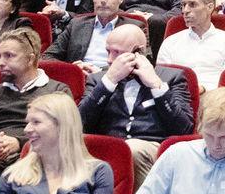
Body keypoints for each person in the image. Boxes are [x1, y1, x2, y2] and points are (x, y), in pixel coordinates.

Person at [79, 22, 192, 179]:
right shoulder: (99, 80)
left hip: (150, 149)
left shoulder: (170, 77)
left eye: (117, 53)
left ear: (139, 52)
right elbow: (78, 124)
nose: (110, 60)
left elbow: (184, 128)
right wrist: (109, 81)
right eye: (108, 52)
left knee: (133, 149)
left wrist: (156, 85)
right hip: (108, 148)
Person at [0, 26, 73, 160]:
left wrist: (19, 143)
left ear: (30, 59)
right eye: (0, 56)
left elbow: (64, 135)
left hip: (38, 157)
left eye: (9, 56)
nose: (0, 63)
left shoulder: (57, 92)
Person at [156, 0, 225, 92]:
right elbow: (161, 79)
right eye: (183, 5)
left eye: (192, 5)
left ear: (210, 7)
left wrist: (203, 89)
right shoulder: (170, 42)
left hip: (217, 97)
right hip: (179, 97)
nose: (185, 10)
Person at [53, 0, 135, 74]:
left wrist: (100, 72)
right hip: (77, 79)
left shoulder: (134, 28)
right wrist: (73, 69)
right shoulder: (76, 24)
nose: (103, 0)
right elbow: (48, 56)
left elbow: (138, 64)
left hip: (114, 82)